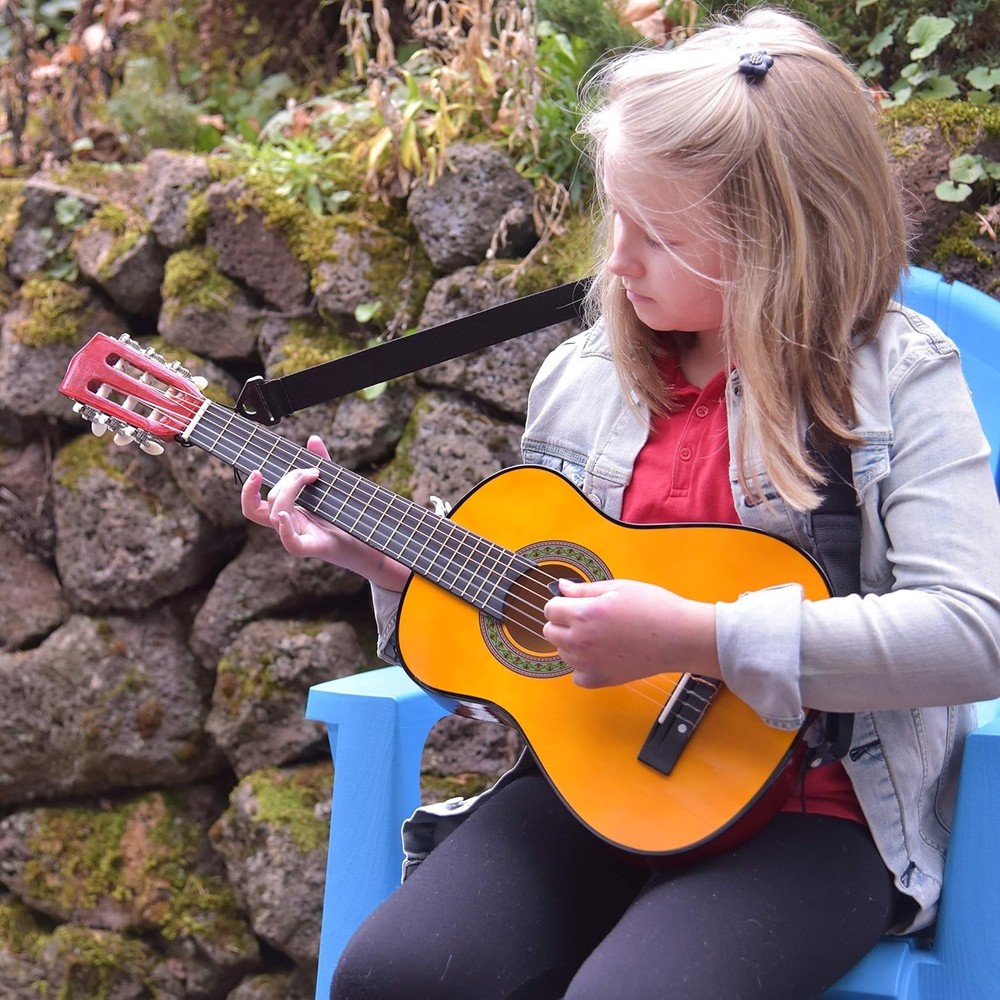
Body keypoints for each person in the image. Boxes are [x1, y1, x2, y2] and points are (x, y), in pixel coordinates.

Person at [240, 8, 1000, 998]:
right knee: (397, 975)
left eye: (661, 236)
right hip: (593, 783)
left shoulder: (895, 378)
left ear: (783, 240)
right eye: (617, 219)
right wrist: (387, 566)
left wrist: (697, 637)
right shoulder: (584, 376)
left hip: (816, 811)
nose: (617, 260)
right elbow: (531, 640)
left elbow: (973, 631)